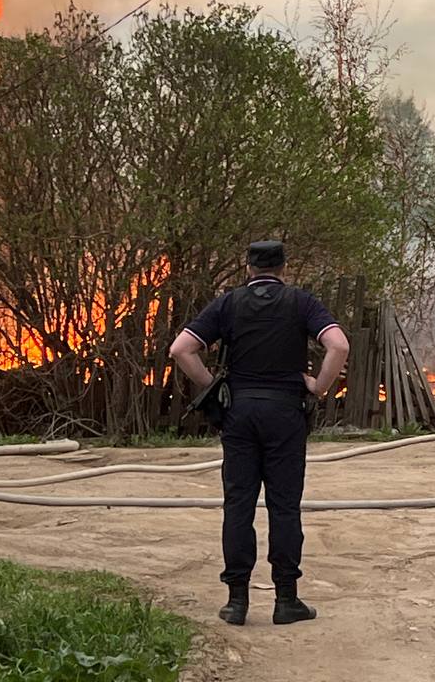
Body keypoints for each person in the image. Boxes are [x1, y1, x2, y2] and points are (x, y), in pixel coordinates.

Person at [169, 241, 350, 626]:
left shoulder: (229, 304)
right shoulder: (301, 303)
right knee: (284, 506)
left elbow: (181, 349)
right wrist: (317, 386)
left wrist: (213, 389)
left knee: (239, 504)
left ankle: (236, 601)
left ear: (247, 267)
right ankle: (286, 600)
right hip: (285, 412)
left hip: (240, 413)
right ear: (285, 266)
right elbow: (338, 344)